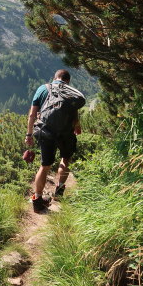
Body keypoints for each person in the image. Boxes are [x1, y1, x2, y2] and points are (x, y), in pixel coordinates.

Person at [24, 69, 83, 212]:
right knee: (65, 158)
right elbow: (74, 112)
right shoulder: (70, 91)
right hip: (66, 132)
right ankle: (60, 191)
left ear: (54, 78)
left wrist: (29, 134)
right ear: (67, 81)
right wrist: (76, 125)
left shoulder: (43, 89)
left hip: (45, 131)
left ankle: (37, 200)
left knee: (45, 166)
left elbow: (32, 114)